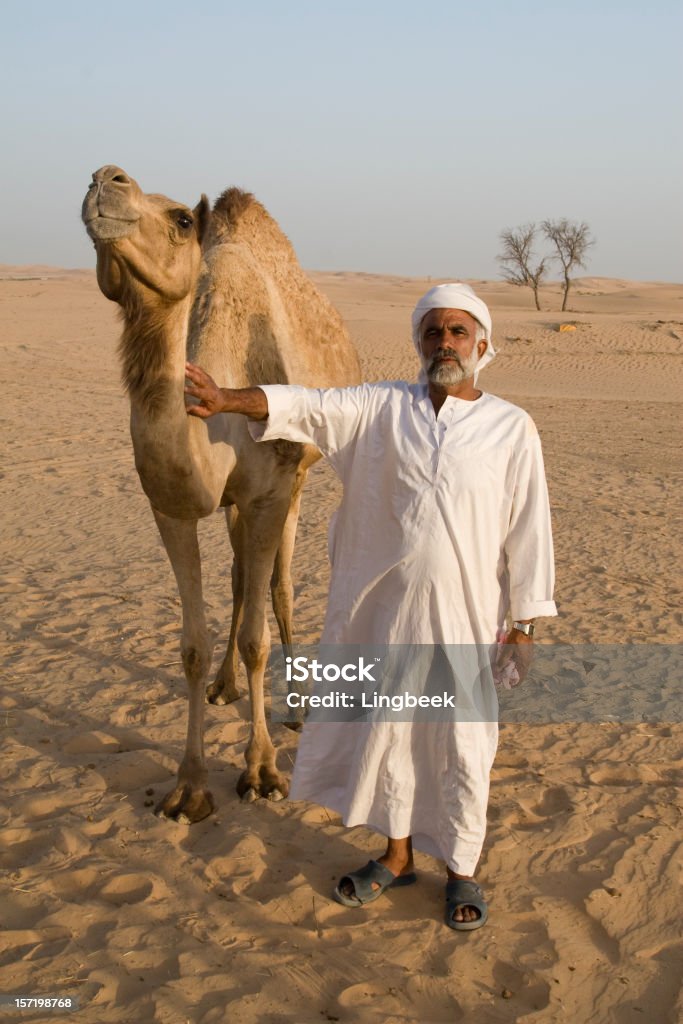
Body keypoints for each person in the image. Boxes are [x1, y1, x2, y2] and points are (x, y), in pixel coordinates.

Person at [184, 283, 557, 931]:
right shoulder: (381, 406)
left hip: (466, 624)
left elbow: (530, 528)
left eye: (458, 332)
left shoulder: (509, 427)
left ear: (483, 345)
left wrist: (522, 622)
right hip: (380, 620)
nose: (445, 342)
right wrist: (225, 398)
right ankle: (396, 857)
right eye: (434, 332)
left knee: (462, 749)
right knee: (388, 743)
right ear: (419, 341)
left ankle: (462, 872)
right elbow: (307, 406)